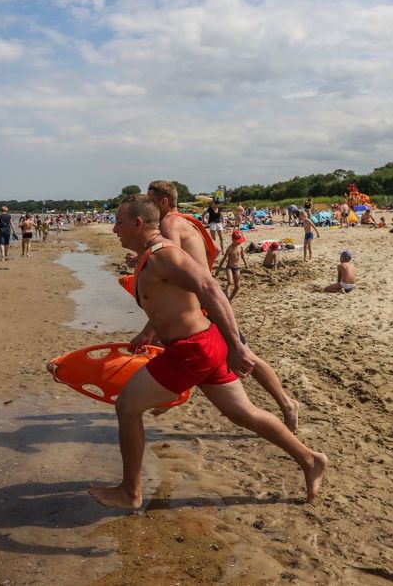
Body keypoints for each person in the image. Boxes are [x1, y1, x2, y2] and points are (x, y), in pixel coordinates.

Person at [79, 195, 327, 509]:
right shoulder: (150, 256)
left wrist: (237, 345)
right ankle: (310, 459)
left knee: (127, 407)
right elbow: (170, 304)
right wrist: (148, 332)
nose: (114, 229)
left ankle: (130, 492)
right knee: (243, 413)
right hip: (202, 345)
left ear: (138, 223)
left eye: (119, 222)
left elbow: (209, 289)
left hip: (191, 350)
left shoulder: (163, 255)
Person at [141, 181, 299, 432]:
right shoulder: (187, 221)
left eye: (150, 199)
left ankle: (286, 403)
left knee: (244, 355)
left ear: (163, 202)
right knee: (221, 353)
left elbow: (170, 269)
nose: (147, 205)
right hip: (207, 297)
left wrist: (150, 326)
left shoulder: (168, 224)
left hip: (205, 303)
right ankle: (171, 395)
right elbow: (211, 248)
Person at [215, 229, 248, 301]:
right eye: (238, 241)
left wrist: (246, 264)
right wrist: (218, 269)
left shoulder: (241, 247)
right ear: (233, 239)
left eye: (240, 240)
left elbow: (242, 257)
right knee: (230, 282)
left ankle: (230, 299)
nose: (240, 242)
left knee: (238, 286)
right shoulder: (230, 248)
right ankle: (226, 294)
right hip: (229, 267)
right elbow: (223, 259)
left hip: (237, 268)